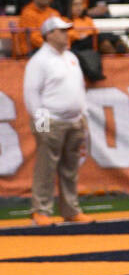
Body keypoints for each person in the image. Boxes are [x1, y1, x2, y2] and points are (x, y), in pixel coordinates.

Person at [22, 15, 94, 226]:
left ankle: (70, 209)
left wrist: (84, 116)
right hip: (51, 120)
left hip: (74, 120)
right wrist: (42, 124)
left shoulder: (71, 57)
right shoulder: (39, 61)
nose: (66, 35)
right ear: (49, 34)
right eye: (62, 31)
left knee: (70, 168)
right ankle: (40, 210)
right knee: (46, 166)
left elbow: (79, 88)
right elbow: (31, 94)